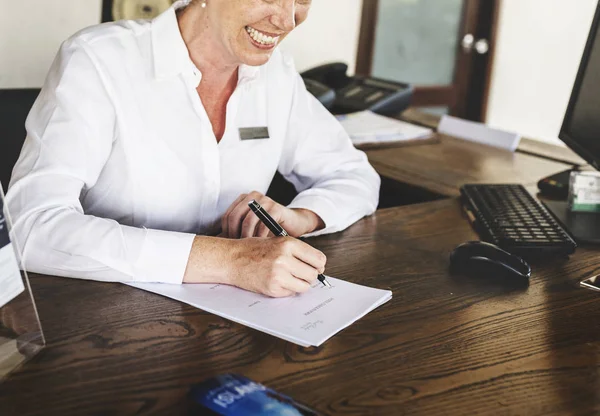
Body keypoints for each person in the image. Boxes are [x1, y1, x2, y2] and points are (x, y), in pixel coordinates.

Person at [6, 0, 380, 297]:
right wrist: (230, 260)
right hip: (101, 317)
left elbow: (355, 176)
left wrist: (301, 216)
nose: (286, 20)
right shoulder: (98, 60)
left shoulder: (276, 75)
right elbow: (32, 226)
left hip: (228, 321)